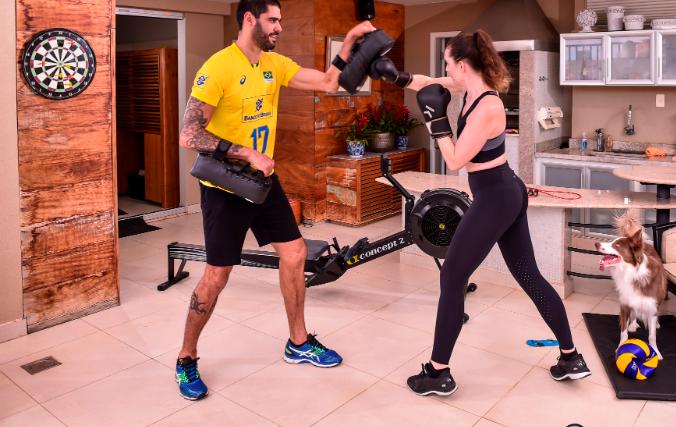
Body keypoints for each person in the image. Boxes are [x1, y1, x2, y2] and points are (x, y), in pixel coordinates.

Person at [372, 30, 591, 396]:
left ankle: (438, 371)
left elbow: (457, 159)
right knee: (529, 276)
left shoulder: (487, 106)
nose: (444, 70)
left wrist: (435, 121)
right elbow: (431, 83)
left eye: (447, 63)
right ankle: (570, 358)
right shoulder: (470, 88)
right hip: (503, 191)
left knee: (453, 277)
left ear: (462, 65)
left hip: (496, 197)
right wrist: (398, 78)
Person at [175, 0, 376, 400]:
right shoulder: (218, 67)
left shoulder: (274, 64)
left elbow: (326, 82)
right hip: (225, 189)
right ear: (249, 20)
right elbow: (189, 135)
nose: (279, 27)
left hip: (263, 183)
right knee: (217, 276)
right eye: (272, 20)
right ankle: (186, 358)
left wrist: (350, 41)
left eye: (280, 20)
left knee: (296, 252)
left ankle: (298, 343)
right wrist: (245, 151)